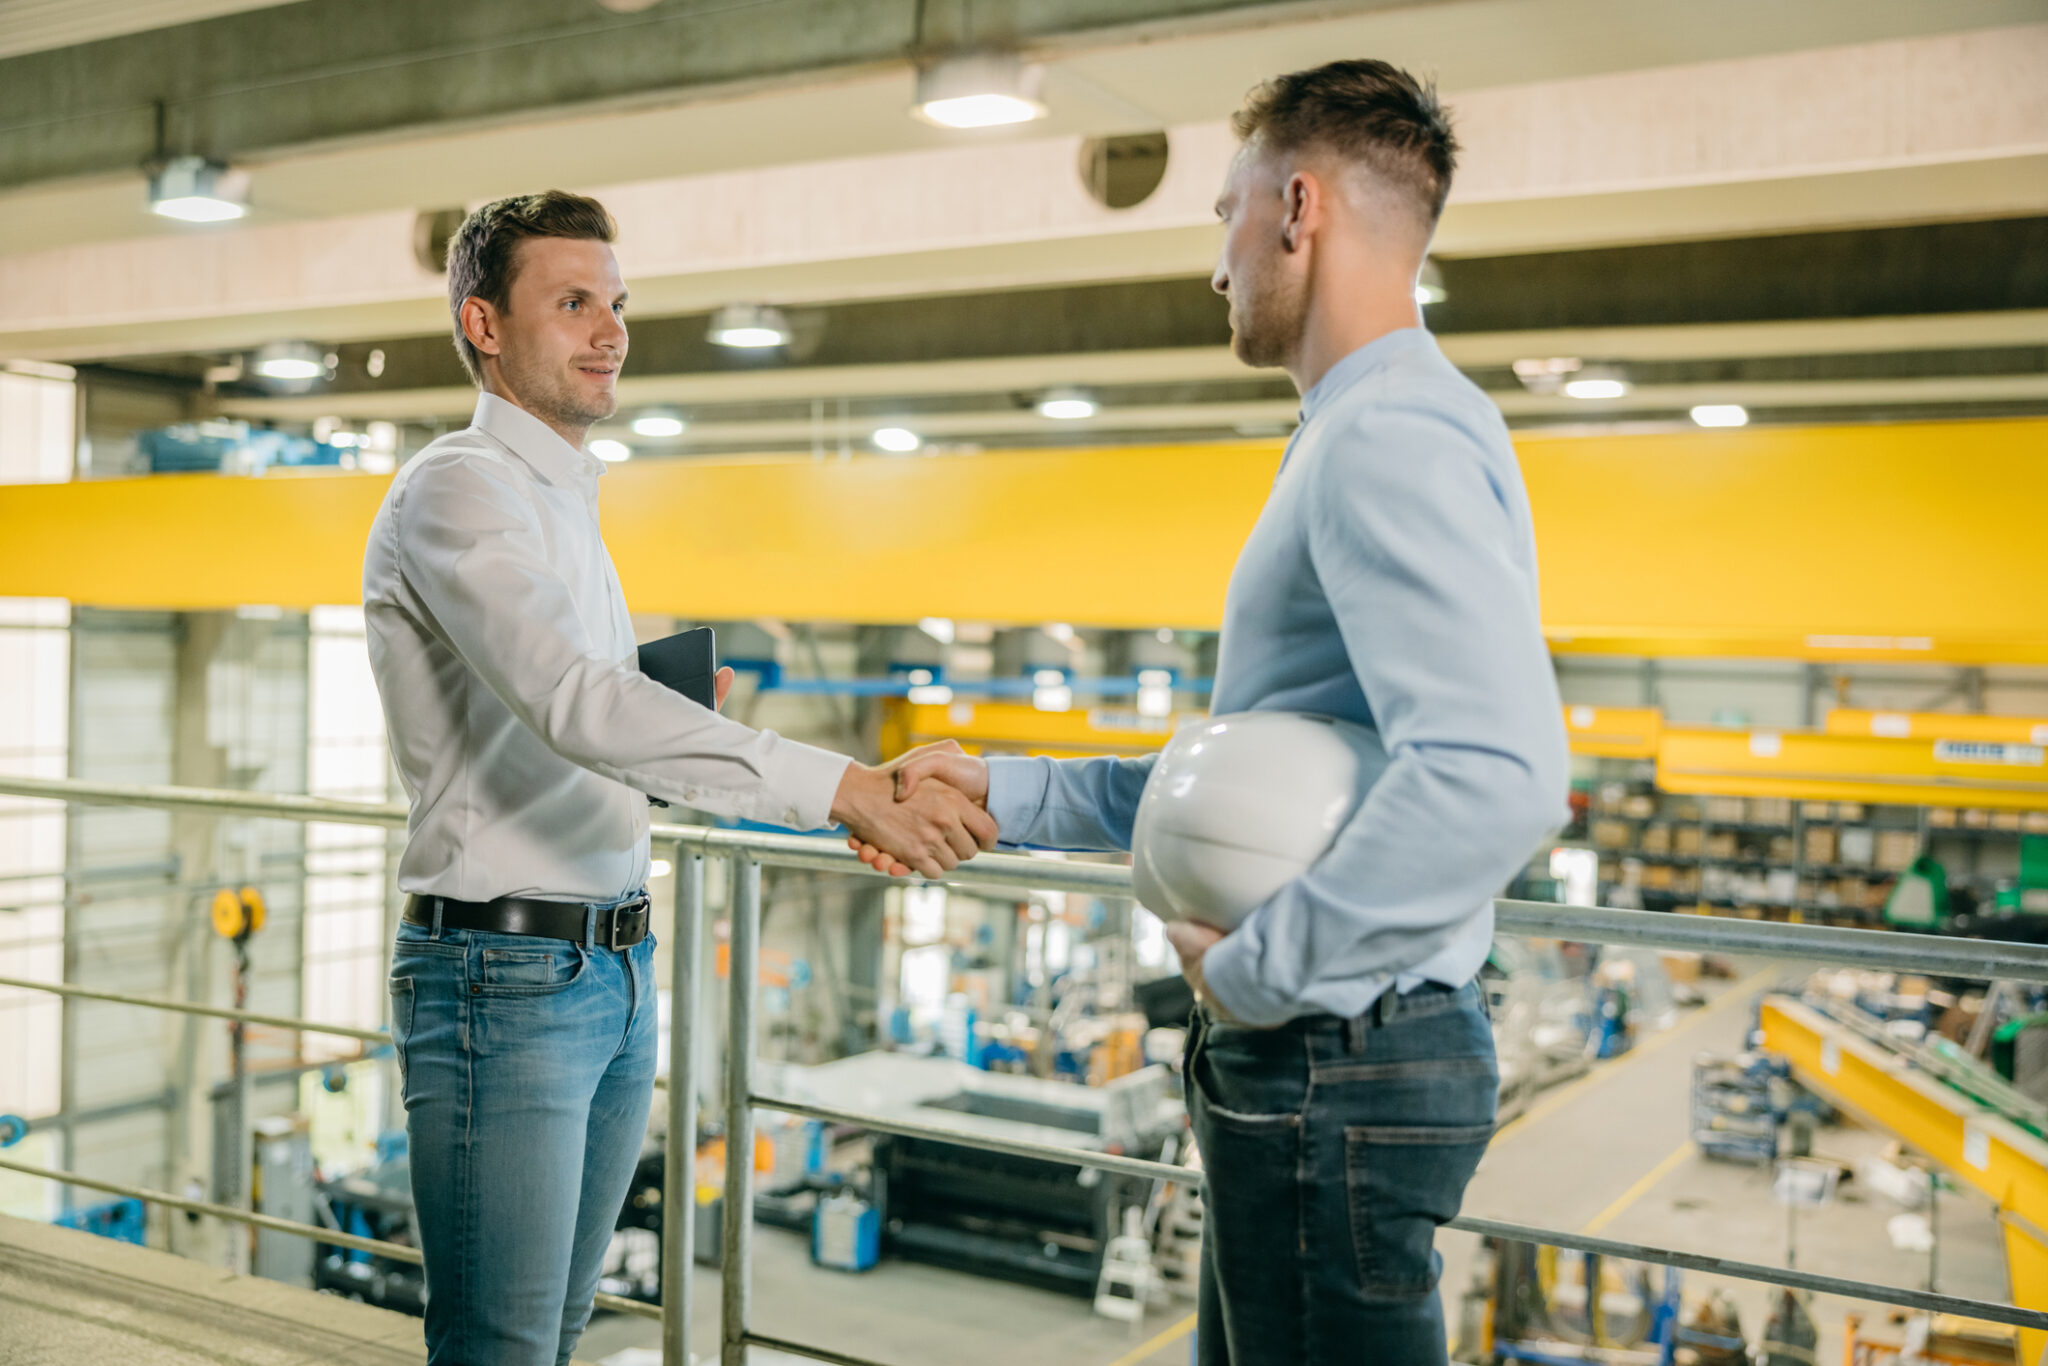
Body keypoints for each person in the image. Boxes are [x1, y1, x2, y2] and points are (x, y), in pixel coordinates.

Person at [861, 60, 1569, 1366]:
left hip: (1332, 1054)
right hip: (1323, 1056)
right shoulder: (1363, 428)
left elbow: (1500, 770)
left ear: (1297, 207)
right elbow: (1244, 775)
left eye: (1224, 215)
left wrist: (1256, 970)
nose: (1217, 264)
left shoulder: (1386, 437)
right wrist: (1002, 791)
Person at [363, 190, 993, 1366]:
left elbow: (601, 719)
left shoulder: (564, 504)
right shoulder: (457, 489)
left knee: (553, 1329)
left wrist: (709, 749)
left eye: (616, 303)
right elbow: (575, 705)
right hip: (505, 974)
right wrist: (844, 786)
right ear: (483, 325)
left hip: (607, 965)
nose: (610, 329)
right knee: (499, 1343)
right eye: (572, 302)